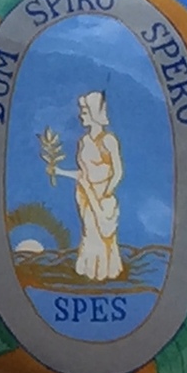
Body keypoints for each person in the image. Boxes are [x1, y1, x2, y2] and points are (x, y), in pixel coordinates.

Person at [72, 89, 126, 281]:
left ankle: (106, 271)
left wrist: (105, 193)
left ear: (95, 114)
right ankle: (89, 271)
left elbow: (118, 171)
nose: (81, 115)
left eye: (85, 112)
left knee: (104, 234)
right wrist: (58, 172)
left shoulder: (109, 140)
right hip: (85, 193)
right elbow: (81, 173)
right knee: (90, 232)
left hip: (103, 195)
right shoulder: (83, 142)